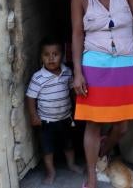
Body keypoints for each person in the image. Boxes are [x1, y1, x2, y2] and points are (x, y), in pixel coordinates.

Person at [70, 0, 133, 188]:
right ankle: (92, 176)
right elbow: (76, 35)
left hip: (124, 65)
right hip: (94, 65)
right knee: (93, 123)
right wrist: (78, 72)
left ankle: (100, 152)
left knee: (122, 126)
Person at [26, 36, 83, 184]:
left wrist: (77, 108)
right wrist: (33, 116)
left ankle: (71, 164)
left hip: (66, 118)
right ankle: (51, 172)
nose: (51, 58)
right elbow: (31, 97)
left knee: (68, 144)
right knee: (48, 149)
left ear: (62, 55)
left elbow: (72, 91)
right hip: (46, 121)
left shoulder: (67, 72)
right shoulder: (38, 78)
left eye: (55, 54)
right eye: (46, 55)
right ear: (41, 57)